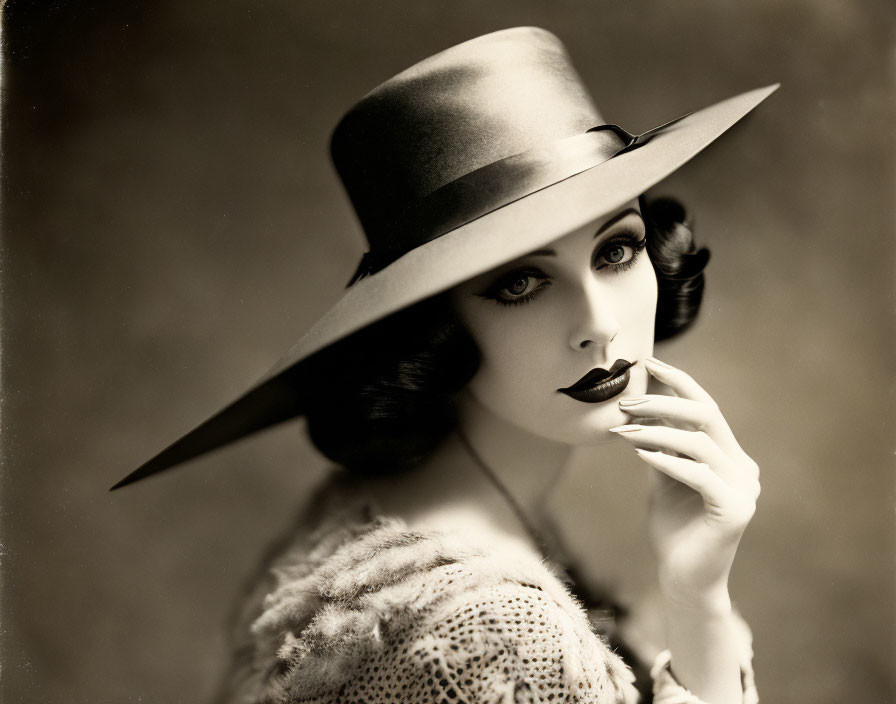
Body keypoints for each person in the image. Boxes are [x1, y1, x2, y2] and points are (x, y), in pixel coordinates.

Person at [112, 27, 776, 703]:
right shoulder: (500, 634)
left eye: (616, 251)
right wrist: (702, 603)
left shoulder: (399, 507)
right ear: (438, 326)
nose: (599, 325)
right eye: (519, 284)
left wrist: (696, 593)